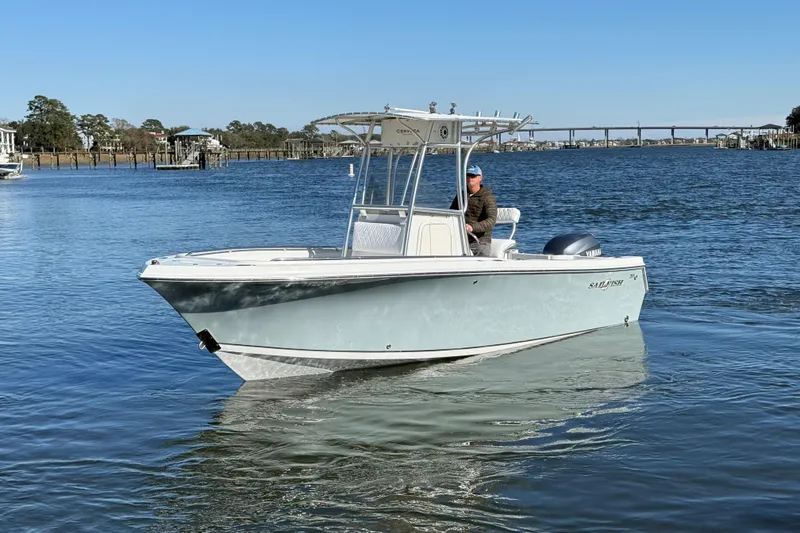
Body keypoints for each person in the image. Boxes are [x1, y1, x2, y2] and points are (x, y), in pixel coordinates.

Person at [449, 164, 497, 256]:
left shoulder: (487, 196)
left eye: (473, 176)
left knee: (480, 255)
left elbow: (491, 220)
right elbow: (452, 213)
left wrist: (472, 227)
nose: (470, 178)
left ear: (480, 178)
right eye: (468, 175)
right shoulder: (461, 195)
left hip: (480, 241)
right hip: (461, 239)